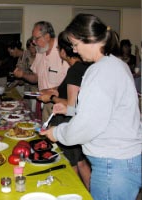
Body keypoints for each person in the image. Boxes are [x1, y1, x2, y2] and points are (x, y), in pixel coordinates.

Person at [40, 13, 142, 200]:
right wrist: (71, 110)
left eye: (76, 45)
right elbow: (105, 111)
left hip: (113, 164)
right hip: (123, 160)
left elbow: (86, 127)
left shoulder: (100, 70)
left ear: (88, 39)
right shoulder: (115, 64)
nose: (76, 51)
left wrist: (56, 133)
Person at [38, 31, 91, 190]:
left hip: (69, 121)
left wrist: (51, 99)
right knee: (81, 162)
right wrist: (51, 91)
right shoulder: (84, 67)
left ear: (63, 51)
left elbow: (71, 104)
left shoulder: (75, 69)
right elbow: (66, 90)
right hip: (80, 121)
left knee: (71, 165)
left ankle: (72, 192)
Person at [13, 21, 69, 122]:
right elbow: (35, 78)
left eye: (36, 38)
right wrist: (23, 75)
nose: (33, 42)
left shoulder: (63, 51)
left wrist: (50, 92)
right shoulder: (40, 51)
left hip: (59, 104)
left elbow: (70, 83)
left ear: (47, 36)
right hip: (44, 102)